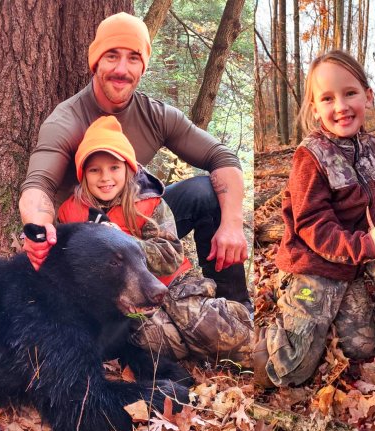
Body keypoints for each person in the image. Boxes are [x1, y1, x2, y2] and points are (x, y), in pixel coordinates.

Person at [18, 12, 250, 306]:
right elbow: (38, 184)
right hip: (84, 237)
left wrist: (232, 224)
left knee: (205, 192)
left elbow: (222, 156)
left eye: (133, 58)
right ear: (96, 61)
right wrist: (39, 229)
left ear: (143, 66)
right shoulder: (66, 120)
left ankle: (235, 308)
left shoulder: (157, 116)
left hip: (135, 224)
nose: (122, 69)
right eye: (112, 56)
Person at [255, 50, 375, 388]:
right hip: (313, 267)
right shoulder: (311, 157)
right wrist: (365, 244)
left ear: (367, 96)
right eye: (327, 98)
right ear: (315, 108)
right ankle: (280, 320)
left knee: (364, 348)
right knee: (289, 371)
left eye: (349, 93)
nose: (340, 106)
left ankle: (321, 324)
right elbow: (312, 224)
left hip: (351, 267)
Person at [58, 115, 253, 367]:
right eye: (95, 170)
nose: (105, 178)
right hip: (131, 301)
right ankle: (194, 345)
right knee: (157, 341)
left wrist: (124, 241)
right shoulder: (71, 214)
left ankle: (235, 320)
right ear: (83, 174)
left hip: (174, 285)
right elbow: (69, 266)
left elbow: (171, 255)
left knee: (211, 330)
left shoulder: (149, 202)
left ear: (128, 169)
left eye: (114, 168)